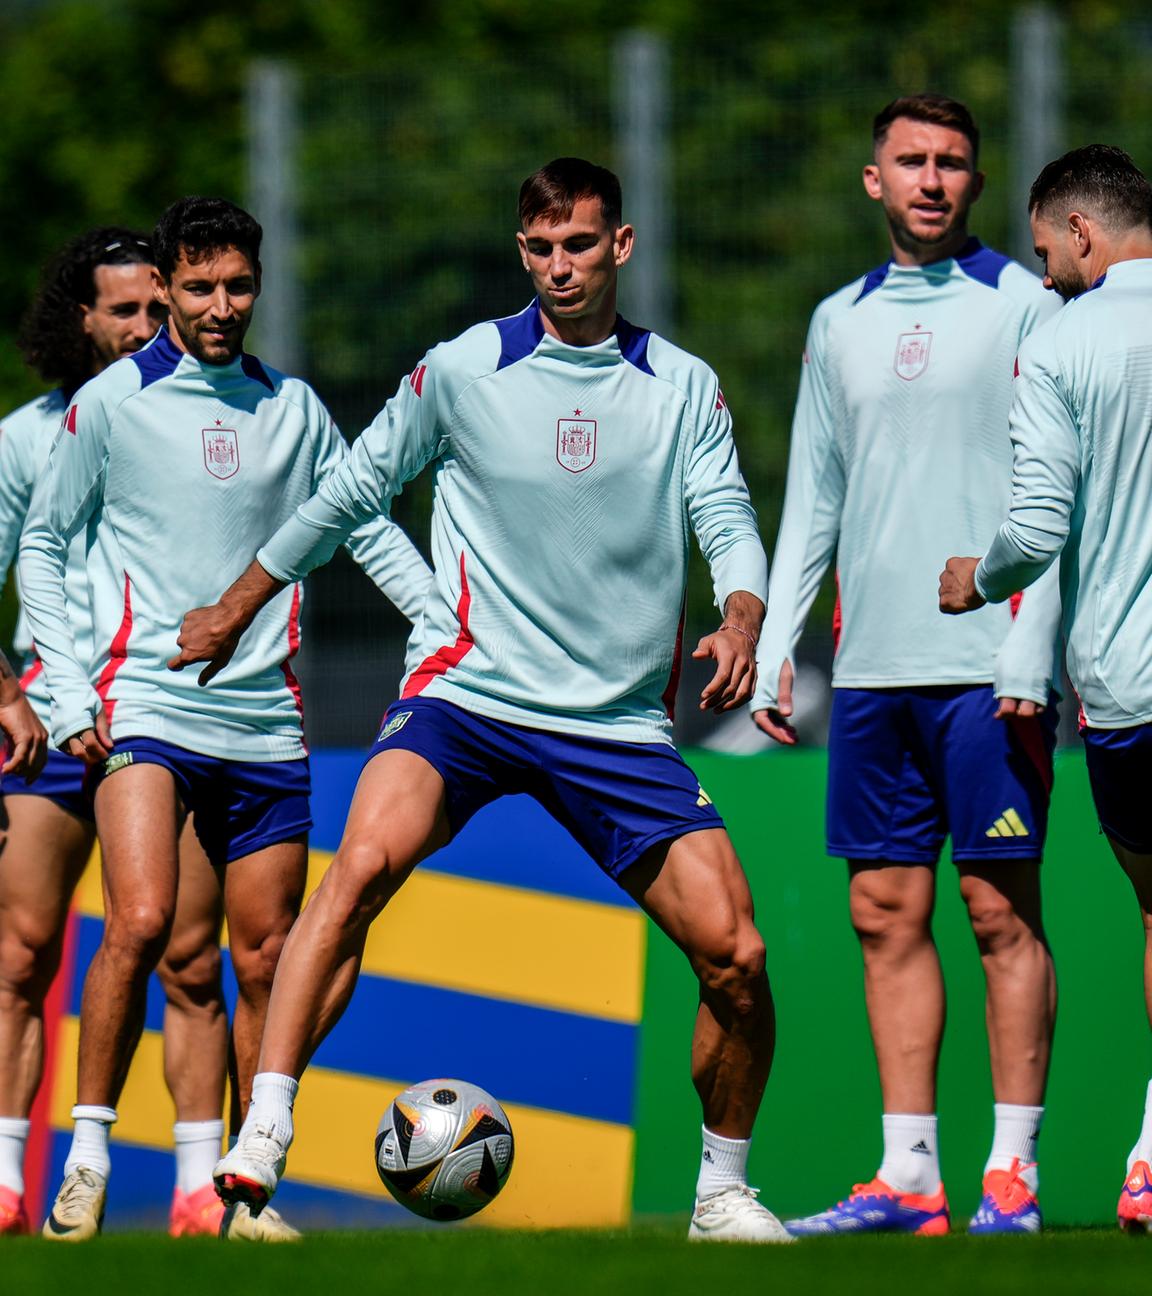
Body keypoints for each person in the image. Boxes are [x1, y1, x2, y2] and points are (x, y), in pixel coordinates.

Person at [170, 157, 789, 1243]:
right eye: (542, 249)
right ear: (523, 252)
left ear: (622, 246)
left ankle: (723, 1193)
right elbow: (353, 488)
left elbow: (727, 517)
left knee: (737, 955)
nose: (561, 267)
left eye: (582, 245)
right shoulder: (463, 367)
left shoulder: (681, 384)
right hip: (469, 692)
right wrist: (236, 602)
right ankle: (263, 1132)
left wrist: (741, 619)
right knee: (357, 870)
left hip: (614, 726)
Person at [18, 197, 432, 1241]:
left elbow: (360, 524)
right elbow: (43, 548)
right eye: (198, 287)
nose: (219, 305)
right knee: (145, 923)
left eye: (237, 286)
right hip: (143, 708)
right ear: (168, 287)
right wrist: (68, 695)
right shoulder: (109, 402)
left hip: (265, 725)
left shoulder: (291, 407)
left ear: (258, 285)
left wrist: (442, 623)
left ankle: (243, 1192)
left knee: (262, 957)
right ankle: (91, 1151)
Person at [751, 94, 1064, 1235]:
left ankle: (1012, 1179)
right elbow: (815, 495)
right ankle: (910, 1177)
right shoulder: (838, 319)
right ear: (872, 180)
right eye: (911, 162)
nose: (932, 179)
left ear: (976, 185)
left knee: (998, 914)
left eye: (953, 164)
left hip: (990, 667)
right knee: (884, 910)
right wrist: (784, 642)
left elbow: (1059, 494)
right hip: (875, 666)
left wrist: (1032, 642)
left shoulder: (1027, 302)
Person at [0, 228, 237, 1239]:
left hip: (166, 714)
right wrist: (8, 693)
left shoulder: (214, 419)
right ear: (82, 322)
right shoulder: (24, 437)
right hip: (49, 728)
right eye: (126, 312)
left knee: (188, 957)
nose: (149, 325)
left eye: (157, 306)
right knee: (20, 954)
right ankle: (6, 1179)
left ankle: (198, 1188)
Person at [940, 143, 1152, 1234]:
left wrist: (979, 578)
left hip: (1131, 684)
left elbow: (1036, 528)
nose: (1047, 276)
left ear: (1078, 232)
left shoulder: (1063, 339)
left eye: (1047, 255)